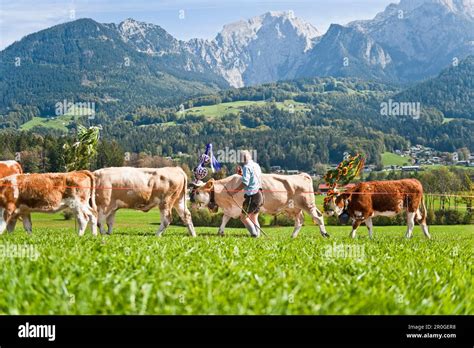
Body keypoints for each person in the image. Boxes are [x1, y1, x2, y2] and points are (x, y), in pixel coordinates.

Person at [230, 150, 263, 237]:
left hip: (252, 196)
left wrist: (234, 191)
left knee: (243, 217)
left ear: (243, 158)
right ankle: (258, 237)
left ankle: (254, 235)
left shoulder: (246, 167)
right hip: (259, 194)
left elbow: (245, 183)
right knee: (254, 218)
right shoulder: (256, 165)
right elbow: (253, 179)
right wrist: (242, 174)